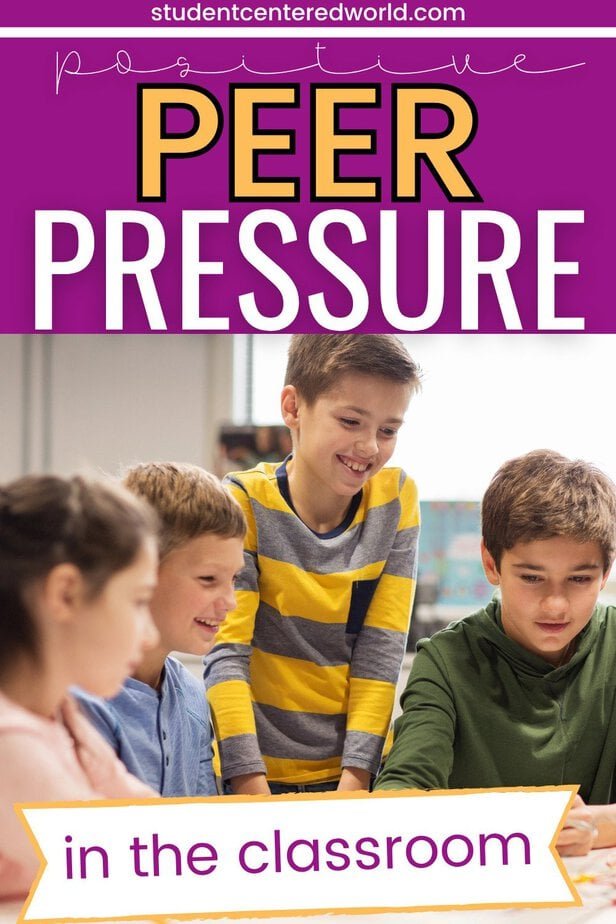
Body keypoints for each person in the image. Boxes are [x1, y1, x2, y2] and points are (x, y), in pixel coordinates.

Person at [204, 334, 421, 795]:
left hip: (350, 774)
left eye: (388, 430)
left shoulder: (396, 499)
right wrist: (248, 781)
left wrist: (357, 778)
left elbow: (380, 652)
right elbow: (228, 652)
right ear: (293, 407)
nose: (368, 447)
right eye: (350, 421)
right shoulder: (243, 502)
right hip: (253, 774)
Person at [375, 449, 616, 856]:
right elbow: (396, 803)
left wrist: (597, 824)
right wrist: (522, 828)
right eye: (532, 578)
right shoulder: (445, 661)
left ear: (605, 573)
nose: (556, 605)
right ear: (491, 563)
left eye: (579, 579)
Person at [0, 474, 159, 900]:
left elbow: (149, 818)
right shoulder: (8, 742)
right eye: (139, 602)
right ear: (67, 593)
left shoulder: (63, 715)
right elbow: (124, 862)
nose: (148, 635)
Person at [75, 463, 245, 796]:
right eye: (208, 579)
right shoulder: (77, 697)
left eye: (234, 580)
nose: (230, 601)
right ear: (140, 571)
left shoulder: (192, 697)